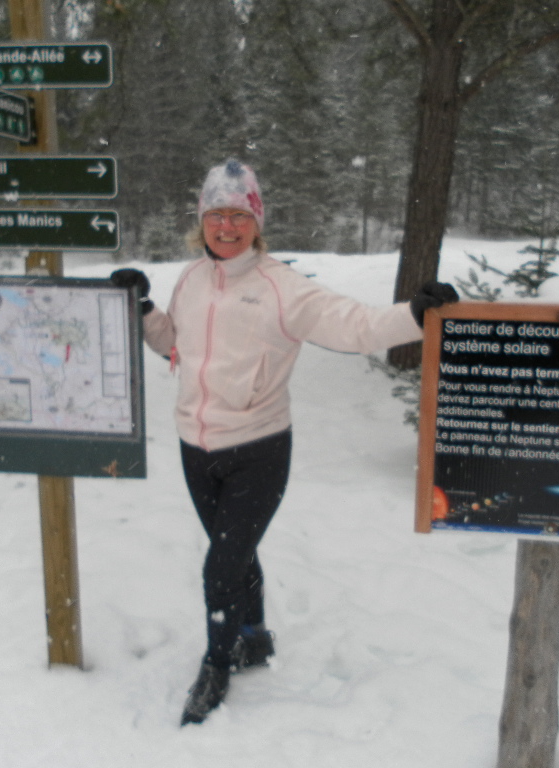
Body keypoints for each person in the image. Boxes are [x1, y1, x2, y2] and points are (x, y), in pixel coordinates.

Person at [111, 159, 457, 726]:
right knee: (235, 552)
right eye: (216, 215)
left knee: (220, 568)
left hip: (258, 449)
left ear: (256, 221)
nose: (227, 226)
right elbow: (175, 344)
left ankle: (217, 664)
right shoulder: (193, 279)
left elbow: (356, 325)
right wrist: (145, 309)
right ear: (202, 221)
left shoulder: (281, 288)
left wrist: (415, 316)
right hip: (194, 448)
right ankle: (252, 636)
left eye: (238, 215)